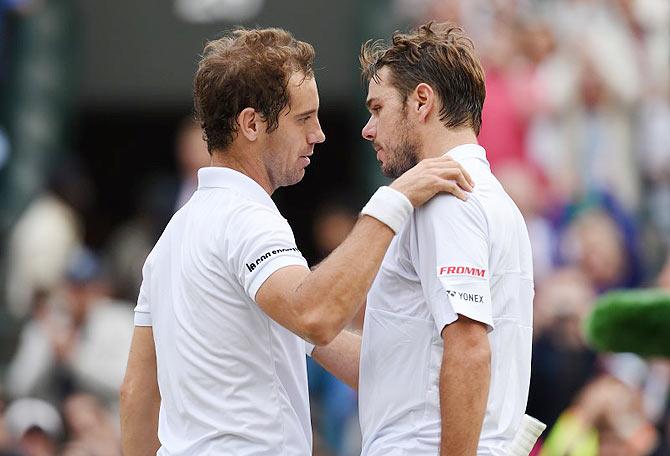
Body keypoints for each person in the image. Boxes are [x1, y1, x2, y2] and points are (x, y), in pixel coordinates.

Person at [119, 27, 474, 455]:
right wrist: (393, 202)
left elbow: (137, 392)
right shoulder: (246, 219)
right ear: (252, 124)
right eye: (304, 118)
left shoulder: (174, 236)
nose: (319, 134)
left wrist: (468, 395)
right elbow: (316, 314)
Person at [354, 21, 535, 455]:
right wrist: (301, 324)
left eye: (377, 109)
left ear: (421, 102)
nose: (367, 128)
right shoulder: (492, 199)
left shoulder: (445, 197)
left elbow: (470, 347)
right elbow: (394, 370)